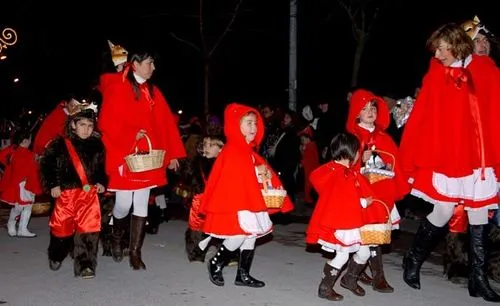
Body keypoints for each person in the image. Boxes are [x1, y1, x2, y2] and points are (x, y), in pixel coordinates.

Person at [400, 23, 500, 302]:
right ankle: (413, 258)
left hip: (479, 158)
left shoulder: (485, 69)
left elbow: (495, 111)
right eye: (437, 49)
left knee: (479, 215)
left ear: (457, 44)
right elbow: (425, 116)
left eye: (443, 48)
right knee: (444, 211)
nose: (439, 53)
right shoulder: (436, 75)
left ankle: (478, 279)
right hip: (450, 157)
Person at [98, 47, 186, 270]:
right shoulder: (119, 87)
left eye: (153, 63)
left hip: (148, 157)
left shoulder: (153, 91)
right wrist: (130, 135)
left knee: (141, 204)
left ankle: (135, 253)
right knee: (124, 204)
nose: (153, 68)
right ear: (135, 64)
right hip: (125, 154)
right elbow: (106, 121)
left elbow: (166, 123)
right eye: (149, 63)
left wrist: (173, 153)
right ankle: (116, 236)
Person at [199, 103, 294, 287]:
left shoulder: (246, 149)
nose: (254, 127)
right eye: (249, 123)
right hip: (238, 202)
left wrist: (260, 172)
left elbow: (248, 173)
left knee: (250, 236)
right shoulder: (233, 149)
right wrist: (255, 170)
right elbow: (234, 176)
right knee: (238, 236)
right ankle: (216, 262)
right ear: (236, 125)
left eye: (256, 123)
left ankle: (243, 274)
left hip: (248, 200)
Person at [306, 132, 388, 301]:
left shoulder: (346, 172)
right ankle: (325, 286)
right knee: (342, 255)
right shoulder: (339, 173)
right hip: (343, 224)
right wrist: (364, 202)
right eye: (358, 150)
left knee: (364, 252)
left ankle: (349, 279)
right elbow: (343, 200)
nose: (359, 154)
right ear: (351, 151)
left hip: (353, 222)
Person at [346, 89, 410, 293]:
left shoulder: (384, 137)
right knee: (368, 235)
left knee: (376, 233)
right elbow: (343, 165)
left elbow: (395, 161)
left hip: (382, 193)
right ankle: (373, 276)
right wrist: (359, 160)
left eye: (373, 107)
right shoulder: (352, 137)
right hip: (362, 195)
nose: (370, 111)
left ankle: (366, 274)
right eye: (364, 108)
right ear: (356, 113)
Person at [40, 105, 106, 279]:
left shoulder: (97, 145)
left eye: (90, 125)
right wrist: (53, 184)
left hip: (88, 195)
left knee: (89, 230)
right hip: (65, 195)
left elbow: (100, 168)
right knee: (61, 230)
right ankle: (56, 254)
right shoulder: (59, 144)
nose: (87, 129)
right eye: (82, 124)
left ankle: (86, 265)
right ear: (73, 125)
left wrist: (101, 182)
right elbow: (46, 165)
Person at [0, 129, 41, 237]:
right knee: (27, 207)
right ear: (26, 140)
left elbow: (2, 157)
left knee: (18, 207)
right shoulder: (29, 154)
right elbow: (33, 171)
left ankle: (12, 225)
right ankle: (20, 228)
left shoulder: (13, 151)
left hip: (15, 184)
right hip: (25, 184)